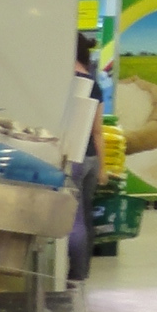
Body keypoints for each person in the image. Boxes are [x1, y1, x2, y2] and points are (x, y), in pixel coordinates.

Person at [66, 31, 108, 295]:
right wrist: (103, 167)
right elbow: (98, 131)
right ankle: (82, 274)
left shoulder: (66, 80)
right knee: (86, 217)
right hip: (92, 158)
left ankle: (74, 277)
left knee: (74, 220)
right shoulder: (93, 84)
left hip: (74, 157)